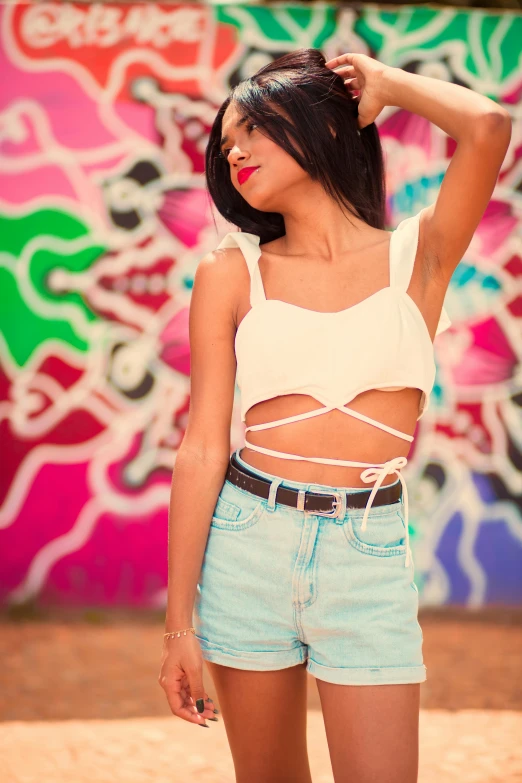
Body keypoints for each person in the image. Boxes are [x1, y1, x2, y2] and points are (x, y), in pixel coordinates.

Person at [159, 48, 511, 782]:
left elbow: (486, 126)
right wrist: (178, 627)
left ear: (321, 124)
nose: (236, 150)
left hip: (368, 552)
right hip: (247, 544)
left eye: (253, 127)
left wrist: (383, 85)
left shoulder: (418, 257)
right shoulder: (230, 272)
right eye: (228, 143)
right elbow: (200, 451)